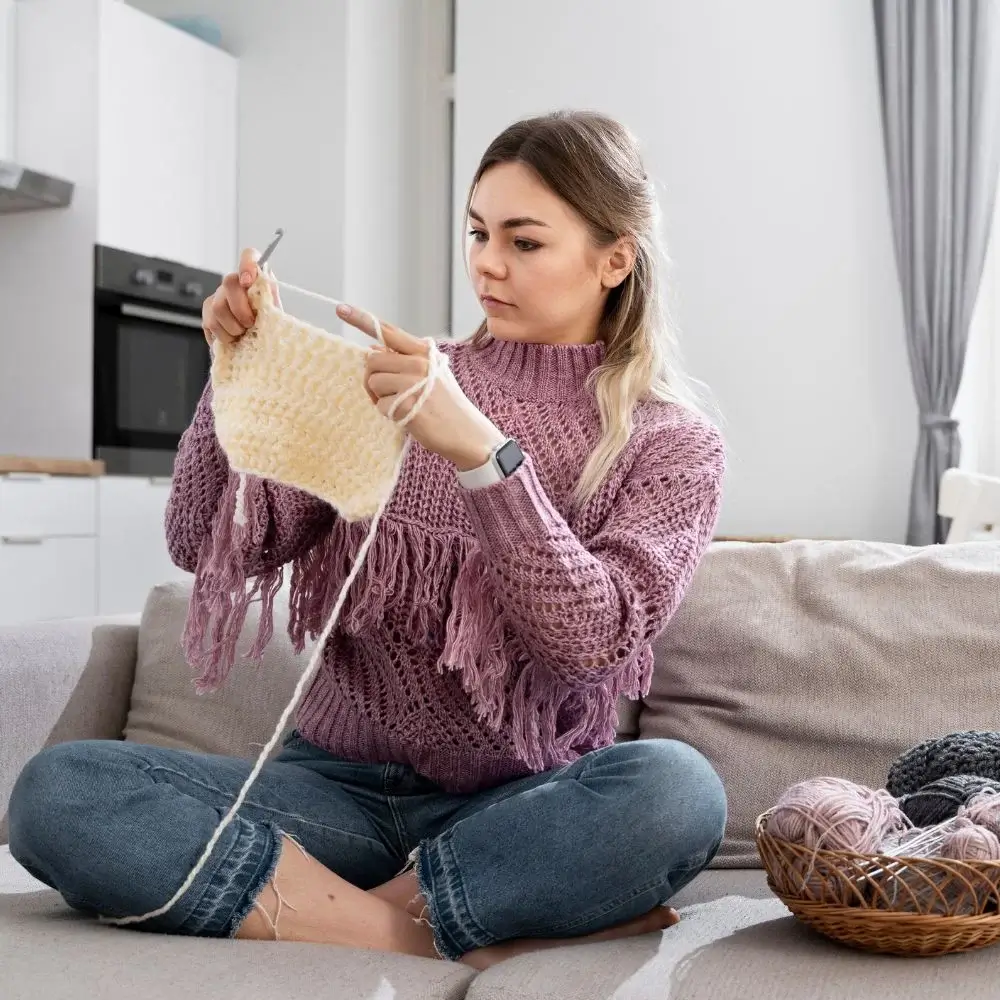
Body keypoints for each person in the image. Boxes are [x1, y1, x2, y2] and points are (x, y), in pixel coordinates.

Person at [8, 110, 727, 968]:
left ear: (615, 258)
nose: (488, 263)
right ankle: (412, 929)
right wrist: (231, 374)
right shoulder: (394, 381)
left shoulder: (671, 443)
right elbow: (205, 542)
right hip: (332, 795)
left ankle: (330, 908)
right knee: (59, 792)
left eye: (524, 242)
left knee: (677, 793)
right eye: (477, 232)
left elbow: (590, 639)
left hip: (520, 806)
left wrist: (482, 457)